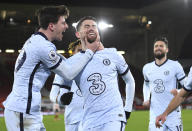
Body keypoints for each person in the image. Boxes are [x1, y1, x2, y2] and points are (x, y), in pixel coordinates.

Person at [3, 5, 99, 131]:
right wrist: (90, 52)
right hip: (22, 110)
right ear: (51, 26)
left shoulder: (36, 41)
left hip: (27, 110)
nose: (66, 26)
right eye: (63, 23)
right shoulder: (43, 47)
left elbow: (67, 64)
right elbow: (68, 73)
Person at [54, 16, 135, 131]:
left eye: (94, 26)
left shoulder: (113, 54)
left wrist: (127, 109)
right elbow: (63, 92)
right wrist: (62, 99)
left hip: (113, 117)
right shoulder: (72, 62)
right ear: (78, 34)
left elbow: (129, 80)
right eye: (86, 26)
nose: (91, 28)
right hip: (88, 120)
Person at [142, 36, 186, 131]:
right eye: (156, 46)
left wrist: (178, 91)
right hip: (155, 113)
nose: (158, 48)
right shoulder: (147, 68)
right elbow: (146, 84)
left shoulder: (175, 66)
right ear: (153, 49)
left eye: (161, 46)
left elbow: (187, 86)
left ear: (167, 50)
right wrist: (146, 98)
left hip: (173, 113)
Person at [50, 40, 84, 131]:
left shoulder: (95, 68)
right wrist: (61, 100)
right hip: (72, 119)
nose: (82, 54)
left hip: (92, 119)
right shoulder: (64, 69)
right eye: (80, 51)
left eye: (85, 51)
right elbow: (53, 94)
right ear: (73, 52)